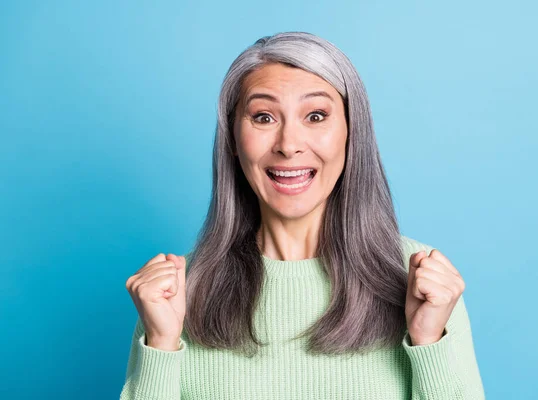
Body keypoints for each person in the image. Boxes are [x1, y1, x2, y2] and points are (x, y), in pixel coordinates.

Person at [120, 31, 485, 400]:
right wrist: (161, 345)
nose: (289, 145)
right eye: (263, 117)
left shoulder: (421, 284)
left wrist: (429, 343)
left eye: (315, 115)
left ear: (351, 133)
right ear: (232, 138)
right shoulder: (175, 295)